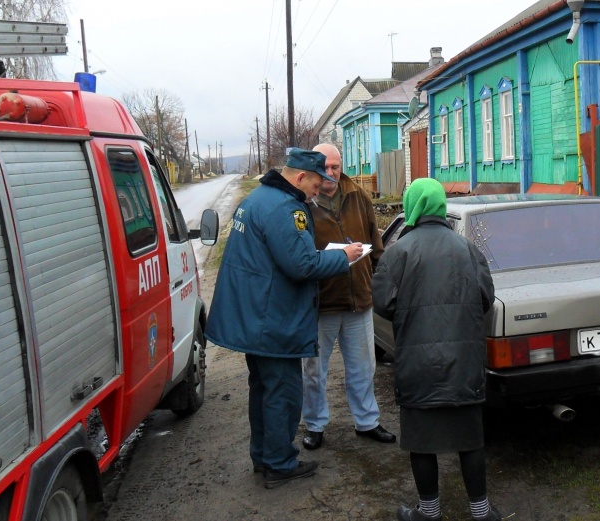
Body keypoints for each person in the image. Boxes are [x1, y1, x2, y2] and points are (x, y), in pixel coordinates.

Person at [205, 149, 364, 489]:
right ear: (300, 177)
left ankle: (263, 455)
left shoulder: (260, 197)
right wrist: (344, 258)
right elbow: (302, 265)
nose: (317, 192)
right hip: (272, 320)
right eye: (316, 184)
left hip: (255, 316)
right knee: (283, 393)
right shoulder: (286, 208)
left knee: (263, 389)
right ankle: (279, 463)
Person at [371, 178, 503, 521]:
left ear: (412, 205)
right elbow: (487, 298)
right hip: (464, 363)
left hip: (418, 363)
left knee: (421, 440)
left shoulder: (398, 251)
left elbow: (383, 304)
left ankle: (428, 512)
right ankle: (482, 511)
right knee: (469, 439)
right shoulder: (469, 249)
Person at [300, 143, 395, 450]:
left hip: (359, 301)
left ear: (342, 166)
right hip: (322, 302)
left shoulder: (358, 196)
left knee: (363, 367)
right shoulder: (303, 203)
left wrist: (375, 279)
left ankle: (366, 421)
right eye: (324, 167)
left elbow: (375, 243)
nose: (330, 173)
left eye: (335, 166)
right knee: (314, 370)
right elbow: (298, 255)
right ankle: (314, 425)